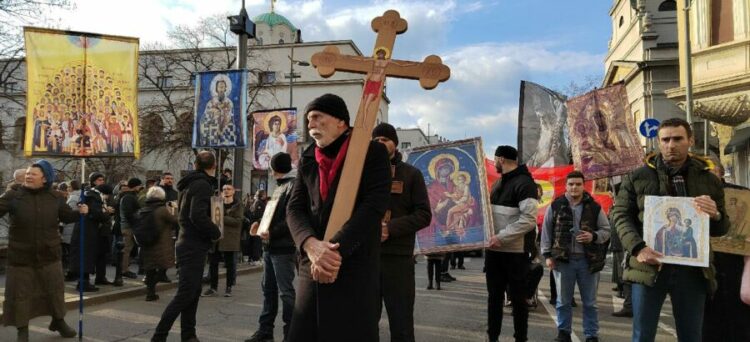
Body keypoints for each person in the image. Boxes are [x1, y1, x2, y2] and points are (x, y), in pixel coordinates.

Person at [611, 118, 728, 342]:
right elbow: (620, 215)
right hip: (648, 266)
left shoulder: (709, 180)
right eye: (665, 140)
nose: (670, 145)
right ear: (658, 142)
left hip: (692, 271)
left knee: (691, 335)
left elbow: (721, 228)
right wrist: (638, 248)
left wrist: (716, 214)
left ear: (690, 140)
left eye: (677, 139)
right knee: (642, 335)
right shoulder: (638, 176)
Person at [286, 93, 391, 341]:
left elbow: (374, 205)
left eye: (316, 117)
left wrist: (332, 252)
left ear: (341, 121)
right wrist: (310, 245)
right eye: (308, 119)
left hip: (352, 262)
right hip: (311, 263)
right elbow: (294, 208)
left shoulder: (371, 151)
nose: (310, 124)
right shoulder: (309, 157)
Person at [0, 160, 88, 341]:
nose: (28, 176)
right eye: (28, 174)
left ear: (45, 179)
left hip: (50, 254)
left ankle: (58, 321)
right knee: (20, 295)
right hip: (20, 257)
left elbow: (66, 216)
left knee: (54, 291)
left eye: (33, 174)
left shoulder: (55, 197)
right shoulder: (13, 196)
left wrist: (81, 212)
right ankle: (22, 330)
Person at [152, 151, 222, 342]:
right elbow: (196, 215)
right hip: (192, 244)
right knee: (185, 294)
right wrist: (215, 232)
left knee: (193, 292)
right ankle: (159, 336)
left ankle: (189, 335)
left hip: (188, 242)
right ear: (213, 166)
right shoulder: (202, 185)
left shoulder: (191, 183)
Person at [372, 123, 432, 342]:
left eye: (385, 140)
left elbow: (424, 214)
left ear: (395, 144)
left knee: (401, 323)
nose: (380, 143)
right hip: (367, 258)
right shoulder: (362, 173)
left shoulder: (411, 174)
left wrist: (391, 228)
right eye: (376, 140)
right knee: (366, 322)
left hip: (398, 259)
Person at [541, 171, 611, 342]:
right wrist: (547, 255)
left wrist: (593, 236)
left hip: (588, 261)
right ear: (566, 186)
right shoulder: (555, 206)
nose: (574, 187)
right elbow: (546, 232)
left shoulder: (594, 207)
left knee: (590, 303)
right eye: (571, 184)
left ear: (583, 186)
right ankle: (564, 333)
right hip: (563, 261)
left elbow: (606, 231)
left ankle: (591, 335)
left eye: (578, 184)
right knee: (563, 301)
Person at [486, 145, 539, 342]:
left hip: (515, 253)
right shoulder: (498, 183)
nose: (495, 163)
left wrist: (501, 237)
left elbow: (528, 220)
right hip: (494, 251)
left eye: (495, 160)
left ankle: (520, 338)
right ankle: (492, 337)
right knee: (494, 298)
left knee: (518, 300)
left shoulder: (525, 184)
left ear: (500, 159)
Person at [246, 152, 298, 342]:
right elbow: (273, 215)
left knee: (285, 292)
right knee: (268, 290)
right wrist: (260, 224)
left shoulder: (292, 185)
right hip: (270, 246)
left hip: (283, 248)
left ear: (273, 169)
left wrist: (272, 232)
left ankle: (291, 333)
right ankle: (265, 330)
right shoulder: (280, 187)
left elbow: (292, 219)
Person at [702, 159, 750, 341]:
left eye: (711, 171)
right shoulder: (695, 196)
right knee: (709, 323)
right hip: (707, 267)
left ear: (720, 172)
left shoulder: (742, 194)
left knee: (739, 322)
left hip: (736, 265)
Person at [69, 172, 109, 292]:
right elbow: (97, 213)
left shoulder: (89, 194)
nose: (102, 182)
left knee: (85, 255)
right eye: (99, 180)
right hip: (88, 230)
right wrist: (106, 214)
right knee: (86, 255)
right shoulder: (93, 195)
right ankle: (83, 283)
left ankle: (83, 281)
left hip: (85, 228)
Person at [204, 184, 243, 297]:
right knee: (213, 263)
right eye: (224, 189)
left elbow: (238, 221)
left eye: (229, 189)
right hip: (216, 238)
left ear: (233, 191)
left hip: (230, 238)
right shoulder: (216, 203)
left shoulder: (238, 204)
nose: (226, 191)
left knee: (230, 265)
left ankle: (228, 287)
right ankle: (213, 287)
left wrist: (221, 217)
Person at [139, 186, 178, 302]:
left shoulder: (145, 209)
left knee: (150, 269)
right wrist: (174, 209)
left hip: (147, 242)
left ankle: (150, 293)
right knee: (162, 267)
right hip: (161, 243)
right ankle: (152, 288)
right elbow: (176, 221)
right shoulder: (162, 210)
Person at [199, 75, 237, 146]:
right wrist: (213, 114)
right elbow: (205, 118)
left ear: (226, 88)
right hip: (213, 132)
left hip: (226, 132)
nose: (221, 89)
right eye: (219, 87)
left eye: (223, 87)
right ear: (216, 89)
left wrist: (223, 114)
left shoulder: (229, 102)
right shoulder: (210, 103)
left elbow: (230, 118)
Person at [120, 177, 143, 279]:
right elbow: (129, 213)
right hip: (128, 227)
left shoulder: (128, 196)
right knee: (127, 249)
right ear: (135, 186)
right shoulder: (129, 197)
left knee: (128, 249)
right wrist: (136, 224)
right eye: (139, 185)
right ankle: (124, 269)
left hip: (128, 226)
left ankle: (125, 268)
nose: (140, 187)